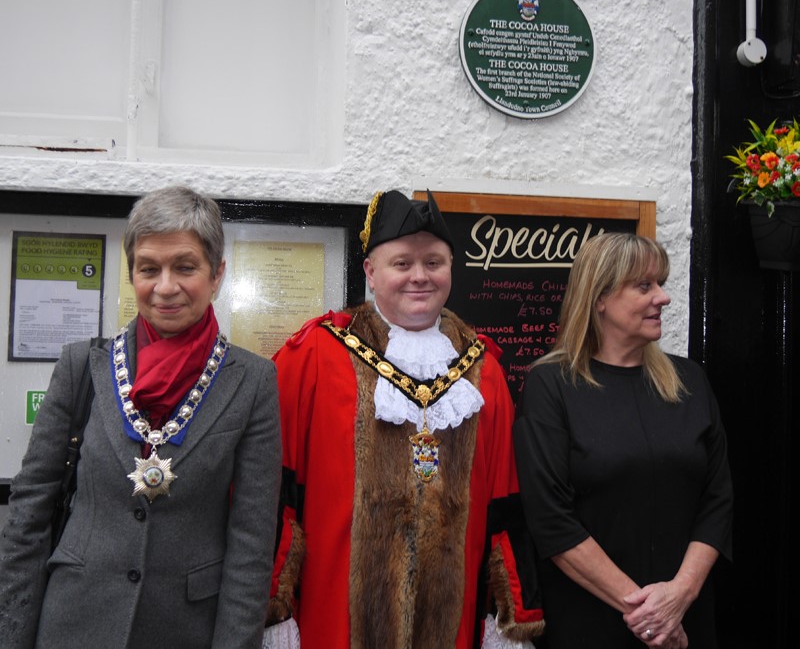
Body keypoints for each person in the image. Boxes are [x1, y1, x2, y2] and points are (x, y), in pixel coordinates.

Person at [0, 186, 282, 649]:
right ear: (132, 273)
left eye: (185, 267)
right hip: (73, 624)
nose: (165, 287)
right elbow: (29, 512)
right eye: (149, 268)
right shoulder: (81, 367)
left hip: (186, 630)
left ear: (217, 274)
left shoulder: (252, 381)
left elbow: (251, 543)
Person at [264, 190, 545, 648]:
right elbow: (273, 494)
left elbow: (505, 501)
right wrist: (273, 610)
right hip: (332, 622)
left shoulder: (484, 370)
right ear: (371, 272)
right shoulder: (311, 356)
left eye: (434, 262)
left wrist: (508, 614)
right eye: (402, 263)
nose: (420, 276)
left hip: (451, 625)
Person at [513, 232, 733, 649]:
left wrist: (680, 595)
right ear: (599, 297)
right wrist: (649, 614)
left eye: (661, 283)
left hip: (686, 619)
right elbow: (550, 519)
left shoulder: (689, 380)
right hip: (590, 622)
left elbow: (718, 500)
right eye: (644, 286)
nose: (663, 297)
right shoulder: (551, 385)